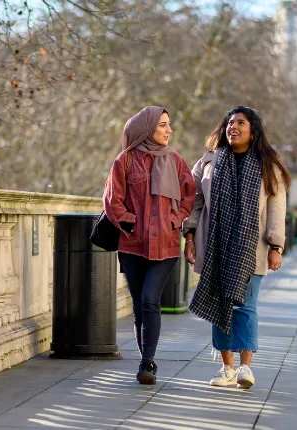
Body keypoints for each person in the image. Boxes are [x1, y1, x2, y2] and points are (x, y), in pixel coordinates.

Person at [183, 106, 289, 389]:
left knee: (246, 307)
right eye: (230, 123)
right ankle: (226, 368)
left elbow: (277, 209)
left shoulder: (269, 165)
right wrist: (189, 236)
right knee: (220, 305)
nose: (234, 127)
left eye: (241, 123)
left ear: (253, 131)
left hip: (252, 249)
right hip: (215, 246)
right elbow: (195, 203)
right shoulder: (208, 163)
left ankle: (246, 367)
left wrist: (276, 246)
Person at [102, 106, 196, 385]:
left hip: (165, 246)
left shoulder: (176, 161)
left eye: (169, 125)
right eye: (163, 125)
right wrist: (129, 223)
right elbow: (111, 200)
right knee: (139, 306)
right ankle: (146, 358)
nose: (169, 130)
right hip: (132, 245)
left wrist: (173, 220)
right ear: (146, 129)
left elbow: (189, 197)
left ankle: (148, 362)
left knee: (150, 299)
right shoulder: (125, 160)